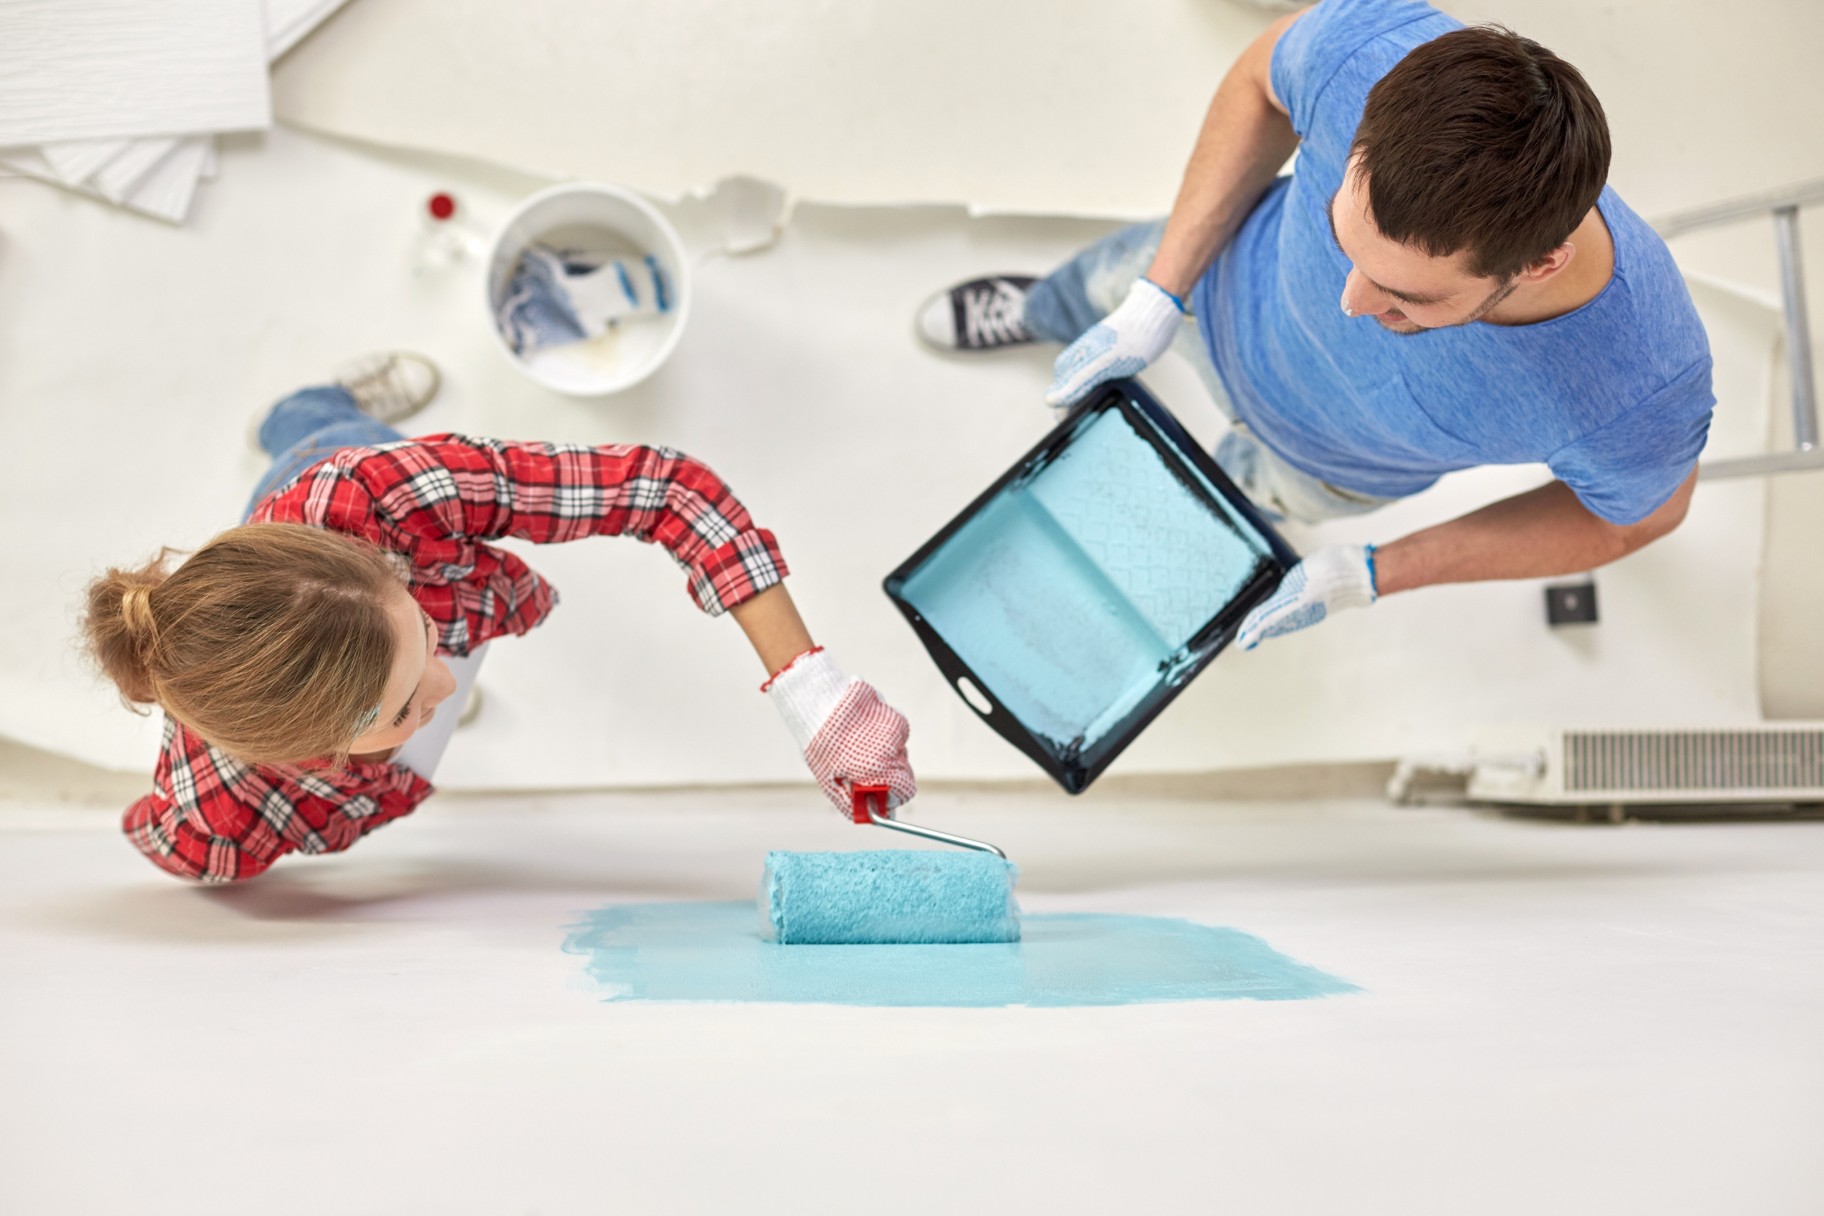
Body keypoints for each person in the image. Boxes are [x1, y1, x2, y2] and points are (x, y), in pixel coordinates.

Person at [916, 0, 1712, 650]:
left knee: (1211, 503)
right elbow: (1260, 75)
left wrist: (1373, 572)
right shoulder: (1367, 51)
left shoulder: (1640, 392)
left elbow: (1643, 516)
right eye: (1345, 240)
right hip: (1215, 287)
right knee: (1093, 285)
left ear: (1538, 262)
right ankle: (1040, 309)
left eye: (1409, 298)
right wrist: (1160, 293)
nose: (1351, 304)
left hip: (1317, 464)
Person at [82, 354, 916, 883]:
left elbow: (666, 490)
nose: (446, 680)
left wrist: (816, 698)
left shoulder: (384, 491)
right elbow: (185, 851)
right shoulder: (220, 808)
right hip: (344, 649)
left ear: (383, 568)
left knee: (328, 433)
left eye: (423, 643)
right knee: (411, 628)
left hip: (325, 477)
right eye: (406, 705)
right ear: (307, 751)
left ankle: (307, 405)